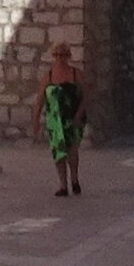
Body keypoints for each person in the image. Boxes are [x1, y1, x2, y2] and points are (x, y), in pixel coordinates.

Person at [40, 53, 87, 200]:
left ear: (67, 56)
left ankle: (74, 179)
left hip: (72, 118)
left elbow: (85, 95)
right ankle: (63, 185)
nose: (60, 58)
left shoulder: (75, 74)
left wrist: (79, 114)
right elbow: (40, 98)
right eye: (58, 55)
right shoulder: (48, 75)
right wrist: (35, 121)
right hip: (55, 120)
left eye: (63, 55)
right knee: (58, 152)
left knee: (72, 150)